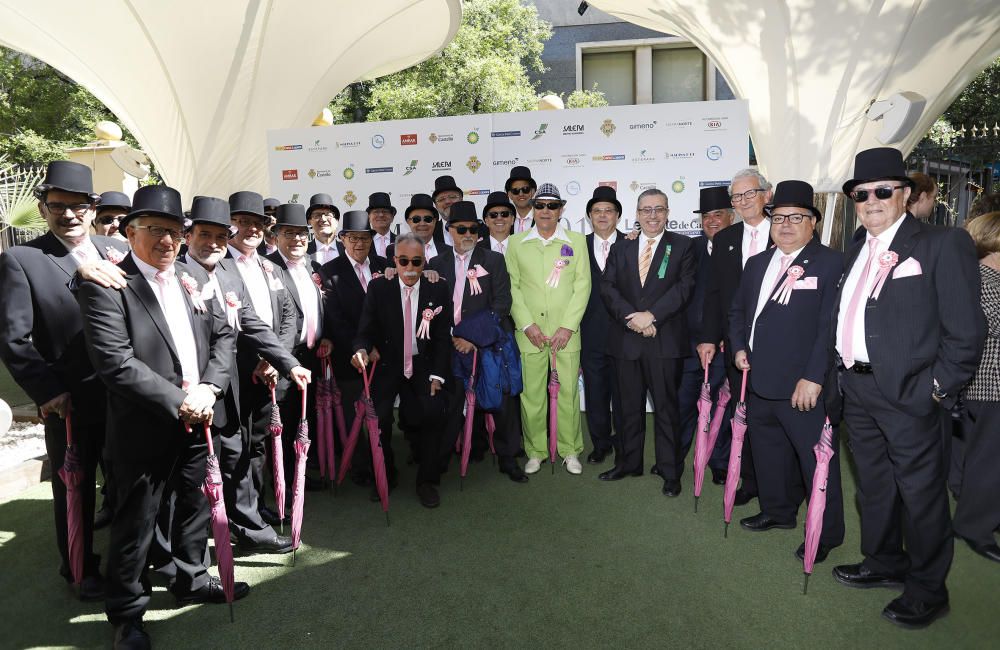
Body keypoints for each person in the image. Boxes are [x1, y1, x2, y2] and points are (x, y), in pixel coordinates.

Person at [75, 184, 247, 649]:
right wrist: (180, 400)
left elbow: (224, 338)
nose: (167, 241)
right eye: (155, 230)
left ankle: (192, 578)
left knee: (194, 507)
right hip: (143, 426)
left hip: (201, 415)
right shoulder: (108, 284)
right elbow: (115, 362)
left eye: (174, 232)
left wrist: (210, 387)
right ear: (129, 233)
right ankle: (127, 614)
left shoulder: (194, 279)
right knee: (136, 523)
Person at [830, 147, 984, 629]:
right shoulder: (854, 247)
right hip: (856, 391)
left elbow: (967, 329)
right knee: (874, 488)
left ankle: (926, 589)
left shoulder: (943, 243)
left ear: (905, 194)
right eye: (862, 194)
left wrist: (936, 389)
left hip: (912, 396)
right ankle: (882, 562)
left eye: (883, 191)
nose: (871, 200)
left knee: (921, 496)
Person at [0, 161, 128, 602]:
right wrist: (47, 391)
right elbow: (13, 338)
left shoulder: (116, 248)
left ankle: (130, 559)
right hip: (70, 401)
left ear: (93, 208)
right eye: (57, 206)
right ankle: (78, 566)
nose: (68, 215)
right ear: (42, 208)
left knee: (128, 480)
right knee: (73, 488)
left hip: (127, 394)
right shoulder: (21, 259)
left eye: (77, 206)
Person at [181, 196, 310, 553]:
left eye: (220, 235)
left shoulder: (252, 269)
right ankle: (188, 551)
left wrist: (285, 361)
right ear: (188, 235)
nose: (213, 243)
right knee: (210, 464)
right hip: (199, 387)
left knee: (243, 451)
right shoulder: (181, 272)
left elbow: (258, 320)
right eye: (205, 234)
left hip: (244, 379)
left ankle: (245, 524)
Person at [728, 180, 845, 561]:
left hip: (803, 386)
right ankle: (778, 511)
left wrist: (813, 376)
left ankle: (825, 533)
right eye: (778, 217)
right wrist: (740, 346)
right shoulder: (757, 262)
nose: (786, 225)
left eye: (796, 217)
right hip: (758, 380)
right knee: (767, 452)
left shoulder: (830, 263)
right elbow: (739, 312)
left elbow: (831, 326)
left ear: (813, 221)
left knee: (816, 461)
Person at [599, 189, 696, 495]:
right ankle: (629, 462)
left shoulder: (683, 246)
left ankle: (670, 471)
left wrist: (652, 316)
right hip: (627, 340)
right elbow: (608, 287)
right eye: (646, 210)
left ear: (668, 212)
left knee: (667, 409)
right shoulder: (621, 248)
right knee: (627, 407)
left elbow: (684, 288)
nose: (652, 215)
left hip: (663, 341)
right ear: (637, 214)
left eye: (659, 209)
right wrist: (633, 318)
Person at [428, 201, 526, 483]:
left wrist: (472, 337)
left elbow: (502, 304)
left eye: (473, 229)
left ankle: (508, 458)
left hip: (488, 344)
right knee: (452, 404)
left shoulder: (493, 260)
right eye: (461, 229)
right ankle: (441, 462)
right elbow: (432, 307)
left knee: (503, 402)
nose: (467, 234)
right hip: (451, 344)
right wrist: (454, 338)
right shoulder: (437, 264)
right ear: (450, 231)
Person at [353, 232, 452, 507]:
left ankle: (427, 480)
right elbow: (365, 330)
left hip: (424, 366)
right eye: (404, 260)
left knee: (433, 413)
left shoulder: (438, 288)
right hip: (387, 365)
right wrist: (361, 349)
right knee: (378, 418)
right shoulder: (379, 288)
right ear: (394, 260)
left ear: (425, 262)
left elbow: (443, 337)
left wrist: (437, 375)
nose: (410, 268)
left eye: (417, 262)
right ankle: (387, 474)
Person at [697, 168, 773, 505]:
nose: (742, 202)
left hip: (779, 347)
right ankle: (751, 480)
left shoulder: (786, 231)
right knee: (743, 415)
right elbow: (714, 294)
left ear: (766, 195)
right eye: (737, 196)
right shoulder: (726, 239)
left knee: (774, 420)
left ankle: (780, 486)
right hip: (735, 348)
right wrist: (709, 338)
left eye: (749, 194)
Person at [506, 183, 591, 475]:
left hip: (566, 336)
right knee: (531, 396)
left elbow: (583, 286)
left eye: (552, 206)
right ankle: (536, 451)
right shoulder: (516, 243)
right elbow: (512, 287)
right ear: (533, 208)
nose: (545, 211)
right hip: (530, 335)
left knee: (568, 393)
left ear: (561, 210)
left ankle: (570, 450)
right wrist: (526, 324)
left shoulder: (577, 242)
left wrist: (568, 327)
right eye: (540, 205)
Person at [226, 191, 299, 526]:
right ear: (230, 225)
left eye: (258, 223)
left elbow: (288, 317)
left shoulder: (270, 266)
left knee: (258, 446)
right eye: (243, 222)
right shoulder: (216, 265)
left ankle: (255, 508)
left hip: (269, 371)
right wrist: (265, 358)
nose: (252, 229)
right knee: (235, 449)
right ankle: (238, 515)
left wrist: (274, 359)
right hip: (233, 373)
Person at [318, 209, 388, 487]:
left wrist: (377, 347)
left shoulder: (385, 265)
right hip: (351, 358)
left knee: (381, 415)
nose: (359, 244)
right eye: (352, 238)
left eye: (365, 238)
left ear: (372, 239)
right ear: (342, 239)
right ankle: (360, 466)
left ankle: (383, 463)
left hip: (382, 357)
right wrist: (361, 349)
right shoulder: (330, 272)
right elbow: (336, 321)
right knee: (352, 416)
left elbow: (390, 313)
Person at [267, 204, 332, 492]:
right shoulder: (269, 268)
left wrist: (325, 336)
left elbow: (317, 310)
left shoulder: (311, 266)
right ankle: (284, 481)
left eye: (301, 234)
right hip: (283, 359)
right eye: (289, 233)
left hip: (311, 355)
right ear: (277, 236)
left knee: (305, 416)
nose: (297, 239)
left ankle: (301, 474)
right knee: (285, 420)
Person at [952, 211, 1000, 563]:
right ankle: (974, 525)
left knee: (978, 456)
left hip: (983, 385)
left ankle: (980, 513)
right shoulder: (983, 279)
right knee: (989, 460)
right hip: (988, 385)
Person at [679, 186, 734, 484]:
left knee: (720, 408)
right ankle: (674, 459)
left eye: (718, 214)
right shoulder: (690, 248)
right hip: (688, 345)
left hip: (725, 347)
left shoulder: (740, 248)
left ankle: (719, 461)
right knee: (683, 405)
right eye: (706, 216)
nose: (711, 220)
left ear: (731, 216)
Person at [580, 185, 627, 465]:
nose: (602, 215)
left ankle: (623, 443)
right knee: (595, 394)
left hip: (624, 336)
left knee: (624, 395)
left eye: (608, 210)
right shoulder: (576, 245)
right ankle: (600, 444)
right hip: (590, 334)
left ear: (618, 216)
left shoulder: (633, 243)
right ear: (589, 216)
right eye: (597, 211)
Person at [386, 194, 450, 262]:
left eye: (428, 219)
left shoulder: (449, 251)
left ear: (434, 221)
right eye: (416, 219)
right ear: (408, 222)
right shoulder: (395, 250)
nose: (422, 224)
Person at [305, 193, 341, 265]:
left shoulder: (349, 250)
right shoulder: (303, 252)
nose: (323, 219)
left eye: (328, 214)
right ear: (309, 222)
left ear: (336, 222)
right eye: (317, 215)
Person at [432, 175, 462, 246]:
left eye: (452, 197)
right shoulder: (430, 231)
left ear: (461, 200)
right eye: (441, 199)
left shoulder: (480, 228)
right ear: (436, 205)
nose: (447, 202)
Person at [505, 165, 536, 234]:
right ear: (509, 194)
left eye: (525, 189)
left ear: (533, 191)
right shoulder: (505, 220)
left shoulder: (543, 218)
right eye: (515, 190)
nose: (521, 194)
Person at [366, 191, 397, 258]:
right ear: (369, 217)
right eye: (376, 212)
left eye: (385, 211)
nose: (381, 215)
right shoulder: (362, 242)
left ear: (392, 217)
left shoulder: (401, 241)